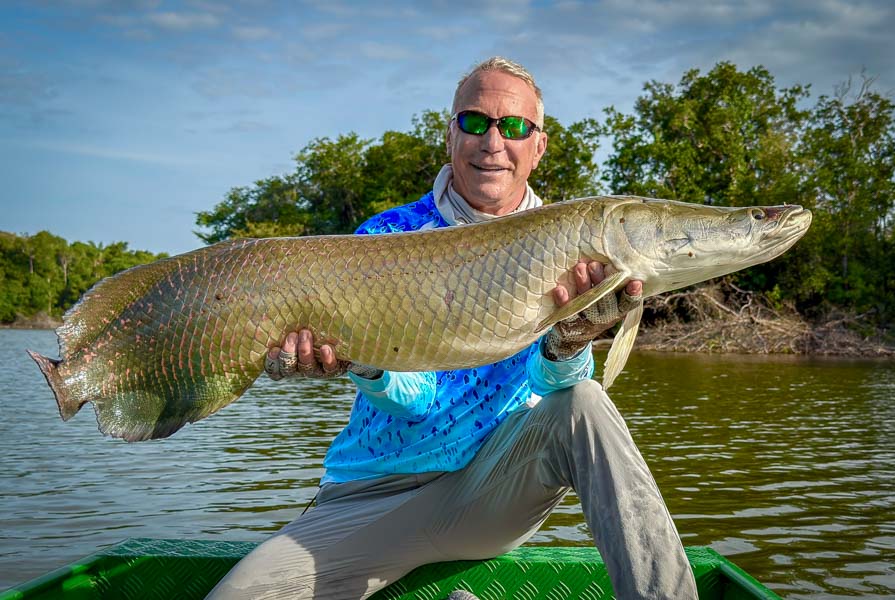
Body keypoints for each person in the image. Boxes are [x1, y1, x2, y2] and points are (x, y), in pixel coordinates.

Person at [207, 57, 698, 600]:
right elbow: (417, 402)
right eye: (474, 121)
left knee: (585, 401)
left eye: (515, 127)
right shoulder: (388, 235)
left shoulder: (574, 240)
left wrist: (570, 341)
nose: (493, 142)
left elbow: (555, 393)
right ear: (450, 135)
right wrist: (360, 358)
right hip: (368, 496)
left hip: (492, 492)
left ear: (539, 146)